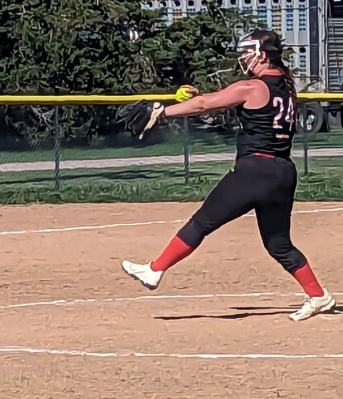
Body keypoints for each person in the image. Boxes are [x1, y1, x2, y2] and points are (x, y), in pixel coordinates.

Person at [118, 29, 335, 321]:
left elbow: (205, 105)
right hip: (282, 172)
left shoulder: (253, 86)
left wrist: (162, 112)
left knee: (201, 222)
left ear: (262, 52)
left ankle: (155, 270)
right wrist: (198, 97)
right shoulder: (286, 86)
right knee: (278, 244)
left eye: (248, 51)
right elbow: (219, 104)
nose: (244, 57)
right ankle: (318, 295)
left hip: (254, 170)